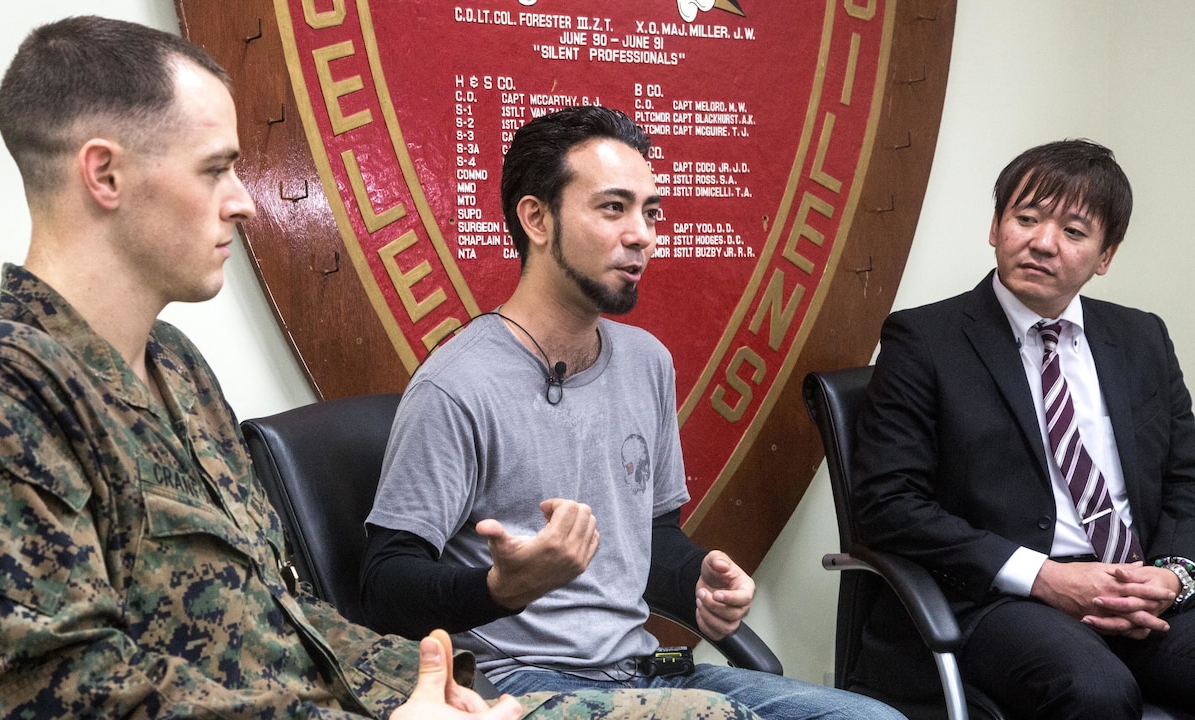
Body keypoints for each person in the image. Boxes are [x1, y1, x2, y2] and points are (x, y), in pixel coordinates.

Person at [0, 16, 767, 720]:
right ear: (104, 173)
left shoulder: (175, 366)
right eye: (216, 169)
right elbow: (38, 700)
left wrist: (433, 685)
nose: (244, 199)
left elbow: (282, 615)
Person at [360, 105, 905, 720]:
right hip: (521, 687)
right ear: (536, 219)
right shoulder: (456, 386)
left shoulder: (647, 361)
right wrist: (500, 588)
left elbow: (652, 539)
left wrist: (700, 577)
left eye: (650, 212)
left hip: (644, 670)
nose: (643, 234)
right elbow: (384, 585)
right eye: (613, 208)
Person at [853, 139, 1195, 717]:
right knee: (1098, 692)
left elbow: (1187, 480)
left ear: (1106, 255)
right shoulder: (924, 341)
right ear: (995, 226)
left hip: (1141, 595)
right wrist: (1045, 577)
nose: (1042, 242)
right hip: (1001, 600)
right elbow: (888, 504)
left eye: (1074, 231)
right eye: (1026, 218)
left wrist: (1172, 578)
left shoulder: (1142, 339)